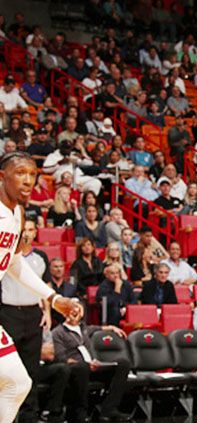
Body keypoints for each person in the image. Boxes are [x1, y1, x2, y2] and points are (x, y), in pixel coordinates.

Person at [0, 152, 75, 423]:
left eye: (32, 174)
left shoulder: (18, 213)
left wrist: (52, 297)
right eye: (20, 173)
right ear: (2, 177)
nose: (28, 181)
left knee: (18, 383)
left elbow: (13, 261)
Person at [0, 219, 53, 423]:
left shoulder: (40, 257)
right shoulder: (6, 250)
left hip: (33, 314)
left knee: (28, 372)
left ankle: (29, 416)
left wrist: (48, 309)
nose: (26, 234)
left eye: (30, 230)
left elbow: (43, 284)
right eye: (25, 230)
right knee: (13, 375)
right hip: (9, 312)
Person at [51, 300, 130, 422]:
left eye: (77, 308)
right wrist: (85, 364)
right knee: (82, 367)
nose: (75, 311)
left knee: (123, 363)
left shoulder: (85, 328)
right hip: (76, 369)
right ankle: (80, 413)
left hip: (94, 366)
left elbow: (102, 327)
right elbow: (62, 358)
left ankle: (108, 409)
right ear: (65, 312)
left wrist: (113, 328)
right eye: (72, 308)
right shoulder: (58, 332)